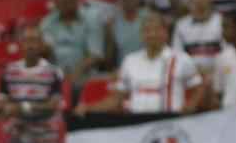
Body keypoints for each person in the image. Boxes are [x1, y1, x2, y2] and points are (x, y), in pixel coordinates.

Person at [76, 11, 206, 114]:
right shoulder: (130, 61)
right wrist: (88, 108)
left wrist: (190, 107)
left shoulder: (181, 59)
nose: (152, 34)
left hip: (169, 123)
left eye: (156, 30)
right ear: (142, 35)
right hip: (137, 127)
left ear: (165, 33)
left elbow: (199, 87)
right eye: (147, 30)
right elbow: (116, 99)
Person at [0, 26, 64, 143]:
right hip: (18, 140)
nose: (30, 46)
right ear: (21, 44)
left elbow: (53, 106)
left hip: (45, 141)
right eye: (27, 41)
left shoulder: (53, 72)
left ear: (42, 45)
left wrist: (22, 108)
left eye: (35, 41)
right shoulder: (9, 72)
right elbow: (2, 105)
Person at [40, 0, 105, 97]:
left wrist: (76, 73)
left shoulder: (92, 18)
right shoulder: (47, 23)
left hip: (86, 77)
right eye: (57, 2)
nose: (60, 7)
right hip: (58, 78)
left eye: (65, 2)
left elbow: (96, 55)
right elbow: (47, 54)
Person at [173, 0, 224, 75]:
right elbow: (177, 57)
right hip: (190, 77)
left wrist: (211, 72)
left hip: (217, 75)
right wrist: (196, 72)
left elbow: (227, 54)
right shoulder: (181, 25)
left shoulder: (221, 22)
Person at [106, 0, 148, 67]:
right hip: (124, 73)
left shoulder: (150, 20)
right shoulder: (113, 23)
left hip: (149, 71)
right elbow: (109, 60)